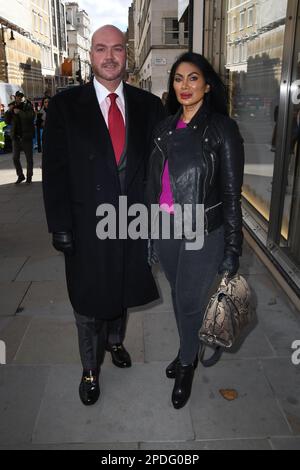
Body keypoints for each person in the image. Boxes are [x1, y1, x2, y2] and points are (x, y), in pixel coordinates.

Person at [42, 25, 165, 406]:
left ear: (126, 54)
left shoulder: (148, 105)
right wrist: (59, 225)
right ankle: (90, 369)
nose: (109, 56)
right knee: (88, 300)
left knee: (123, 289)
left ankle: (115, 343)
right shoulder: (65, 107)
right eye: (100, 49)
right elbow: (55, 171)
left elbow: (162, 168)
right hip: (86, 226)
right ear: (90, 56)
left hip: (131, 223)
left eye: (116, 49)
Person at [146, 52, 245, 409]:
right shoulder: (163, 129)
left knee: (188, 300)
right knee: (178, 295)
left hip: (205, 232)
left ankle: (187, 362)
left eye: (192, 78)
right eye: (177, 79)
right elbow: (153, 185)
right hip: (166, 229)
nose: (184, 86)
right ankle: (189, 344)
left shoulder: (222, 129)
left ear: (206, 84)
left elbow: (232, 195)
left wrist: (233, 248)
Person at [4, 91, 35, 184]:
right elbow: (6, 121)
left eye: (21, 97)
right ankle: (20, 175)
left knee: (29, 159)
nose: (19, 98)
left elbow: (30, 117)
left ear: (23, 97)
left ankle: (29, 176)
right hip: (16, 138)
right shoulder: (11, 106)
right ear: (15, 97)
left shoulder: (27, 106)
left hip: (26, 137)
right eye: (18, 96)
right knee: (15, 158)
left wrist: (20, 112)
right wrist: (9, 111)